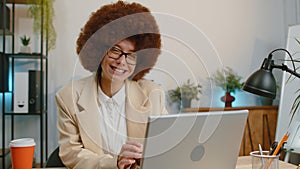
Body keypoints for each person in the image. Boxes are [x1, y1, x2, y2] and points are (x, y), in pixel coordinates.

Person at [55, 1, 168, 169]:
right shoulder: (69, 97)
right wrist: (114, 163)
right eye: (115, 50)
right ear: (100, 50)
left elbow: (164, 146)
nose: (122, 61)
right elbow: (71, 154)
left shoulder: (153, 95)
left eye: (131, 55)